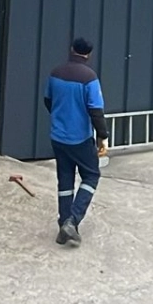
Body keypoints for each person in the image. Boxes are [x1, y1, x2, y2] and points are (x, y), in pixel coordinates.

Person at [42, 37, 108, 247]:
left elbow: (48, 100)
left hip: (58, 137)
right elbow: (96, 111)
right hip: (80, 139)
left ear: (71, 49)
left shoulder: (55, 73)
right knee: (91, 175)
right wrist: (103, 136)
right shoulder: (89, 78)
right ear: (89, 54)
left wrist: (60, 118)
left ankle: (64, 224)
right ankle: (73, 220)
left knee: (65, 179)